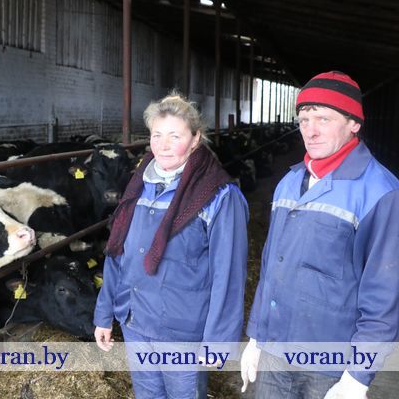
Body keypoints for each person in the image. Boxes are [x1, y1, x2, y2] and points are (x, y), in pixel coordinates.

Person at [241, 71, 399, 398]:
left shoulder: (381, 193)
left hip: (329, 364)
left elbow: (385, 295)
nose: (310, 131)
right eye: (303, 119)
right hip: (274, 350)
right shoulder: (289, 182)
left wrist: (358, 375)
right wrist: (256, 336)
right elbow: (270, 266)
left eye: (323, 119)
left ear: (353, 123)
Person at [94, 92, 248, 399]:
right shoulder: (138, 186)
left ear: (195, 139)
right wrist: (104, 313)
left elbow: (229, 273)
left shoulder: (218, 196)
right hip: (136, 322)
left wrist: (218, 340)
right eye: (157, 135)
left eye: (175, 136)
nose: (163, 145)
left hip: (182, 331)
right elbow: (118, 254)